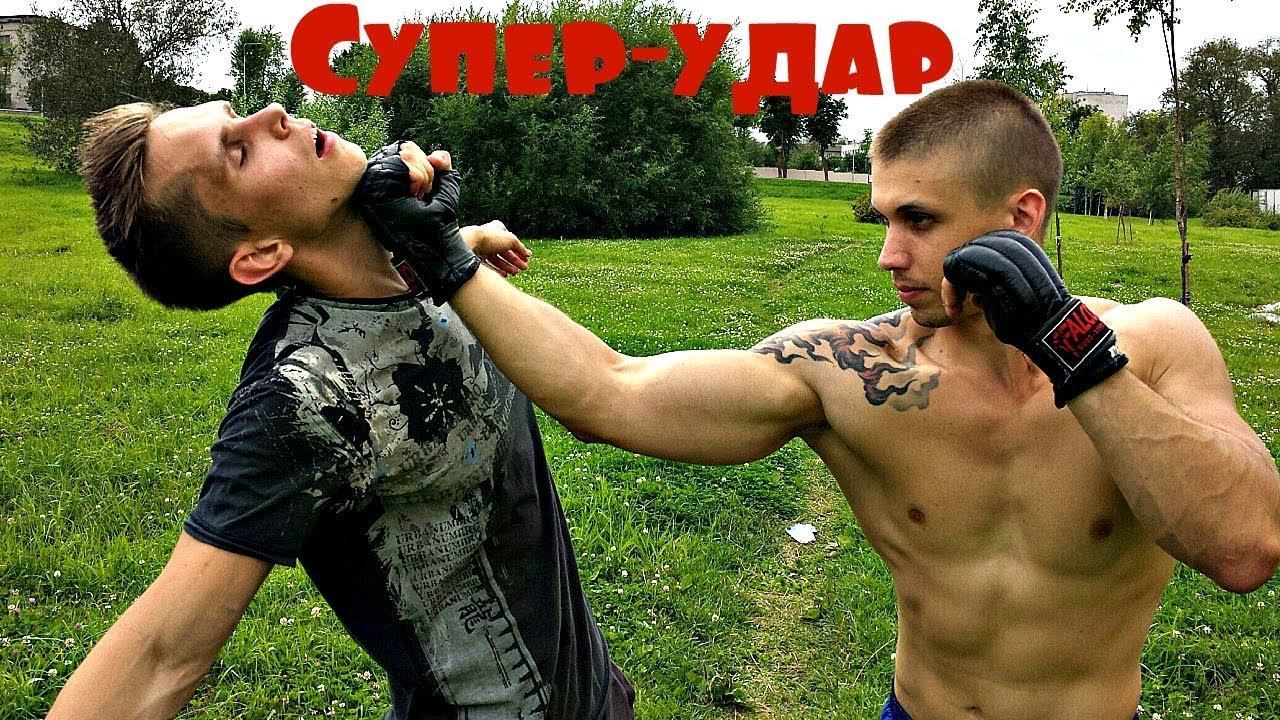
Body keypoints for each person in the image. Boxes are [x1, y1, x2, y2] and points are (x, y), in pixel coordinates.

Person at [355, 80, 1280, 720]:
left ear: (1021, 217)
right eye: (884, 219)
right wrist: (445, 258)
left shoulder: (1156, 344)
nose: (888, 255)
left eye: (919, 220)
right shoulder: (850, 370)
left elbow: (1243, 549)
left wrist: (1067, 346)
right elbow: (609, 390)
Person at [48, 100, 635, 720]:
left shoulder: (417, 269)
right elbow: (158, 659)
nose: (275, 112)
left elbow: (394, 303)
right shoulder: (303, 399)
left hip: (594, 690)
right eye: (239, 153)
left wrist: (462, 240)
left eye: (241, 113)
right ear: (260, 254)